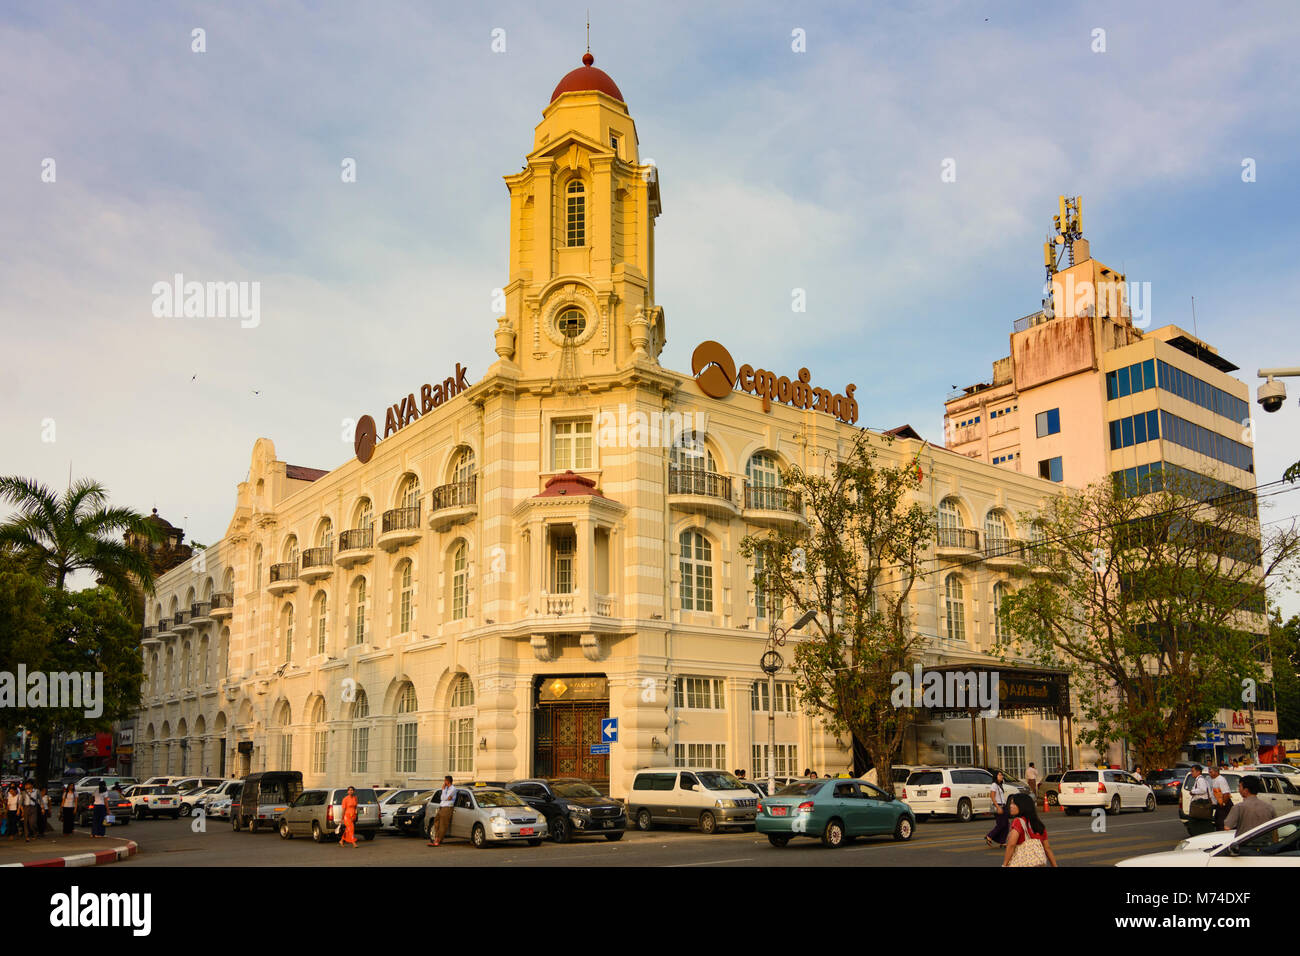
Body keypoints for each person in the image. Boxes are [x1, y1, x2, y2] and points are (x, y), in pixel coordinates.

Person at [1001, 792, 1059, 867]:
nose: (1010, 806)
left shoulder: (1018, 821)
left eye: (1014, 804)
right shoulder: (1038, 824)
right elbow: (1047, 848)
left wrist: (1004, 864)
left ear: (1022, 806)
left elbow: (1011, 844)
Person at [427, 775, 456, 847]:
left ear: (448, 781)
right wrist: (444, 793)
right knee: (436, 821)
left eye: (445, 780)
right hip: (441, 807)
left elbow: (445, 798)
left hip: (447, 808)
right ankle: (436, 838)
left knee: (443, 824)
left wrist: (444, 792)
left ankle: (438, 840)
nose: (444, 782)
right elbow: (442, 798)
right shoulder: (445, 788)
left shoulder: (453, 789)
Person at [985, 771, 1011, 847]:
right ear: (996, 776)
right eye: (1000, 775)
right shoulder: (994, 785)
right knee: (1001, 824)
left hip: (1003, 805)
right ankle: (989, 836)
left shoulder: (999, 785)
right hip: (999, 806)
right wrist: (997, 807)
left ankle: (1002, 841)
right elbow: (992, 797)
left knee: (1006, 825)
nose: (1001, 776)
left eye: (1002, 775)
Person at [1208, 766, 1232, 831]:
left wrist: (1223, 804)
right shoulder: (1214, 780)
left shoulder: (1221, 780)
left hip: (1224, 804)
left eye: (1211, 772)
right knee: (1218, 821)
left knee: (1222, 823)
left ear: (1216, 772)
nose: (1209, 774)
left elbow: (1226, 793)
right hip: (1219, 804)